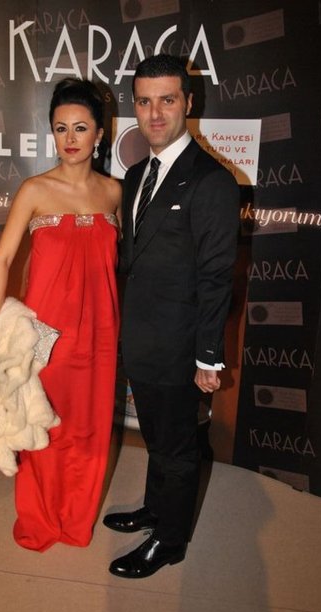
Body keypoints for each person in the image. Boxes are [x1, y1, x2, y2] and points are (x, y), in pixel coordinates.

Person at [103, 54, 240, 578]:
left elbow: (216, 276)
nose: (155, 113)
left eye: (166, 99)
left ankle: (170, 540)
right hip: (141, 338)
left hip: (182, 345)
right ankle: (156, 509)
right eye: (144, 101)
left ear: (188, 102)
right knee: (157, 437)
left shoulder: (212, 181)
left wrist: (208, 357)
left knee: (178, 446)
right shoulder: (137, 174)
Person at [0, 78, 121, 551]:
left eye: (80, 128)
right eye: (61, 128)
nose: (70, 138)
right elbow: (3, 261)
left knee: (89, 428)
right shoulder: (34, 189)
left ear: (99, 135)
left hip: (101, 332)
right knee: (44, 424)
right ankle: (41, 516)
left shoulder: (114, 193)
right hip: (44, 334)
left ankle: (76, 517)